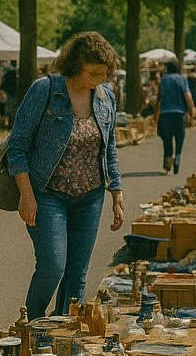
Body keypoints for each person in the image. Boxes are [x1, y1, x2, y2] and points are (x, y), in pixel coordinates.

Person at [9, 31, 124, 319]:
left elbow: (109, 149)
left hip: (90, 197)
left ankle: (65, 333)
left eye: (104, 73)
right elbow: (18, 145)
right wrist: (26, 195)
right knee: (53, 266)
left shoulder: (106, 97)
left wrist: (117, 195)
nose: (99, 79)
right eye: (93, 73)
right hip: (47, 194)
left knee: (77, 275)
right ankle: (31, 326)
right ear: (75, 65)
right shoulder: (45, 89)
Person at [154, 59, 196, 174]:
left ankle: (168, 164)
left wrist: (156, 114)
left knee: (167, 140)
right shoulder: (182, 79)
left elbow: (159, 97)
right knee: (179, 137)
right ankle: (177, 157)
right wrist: (191, 111)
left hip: (165, 114)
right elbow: (188, 96)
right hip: (179, 114)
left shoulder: (164, 80)